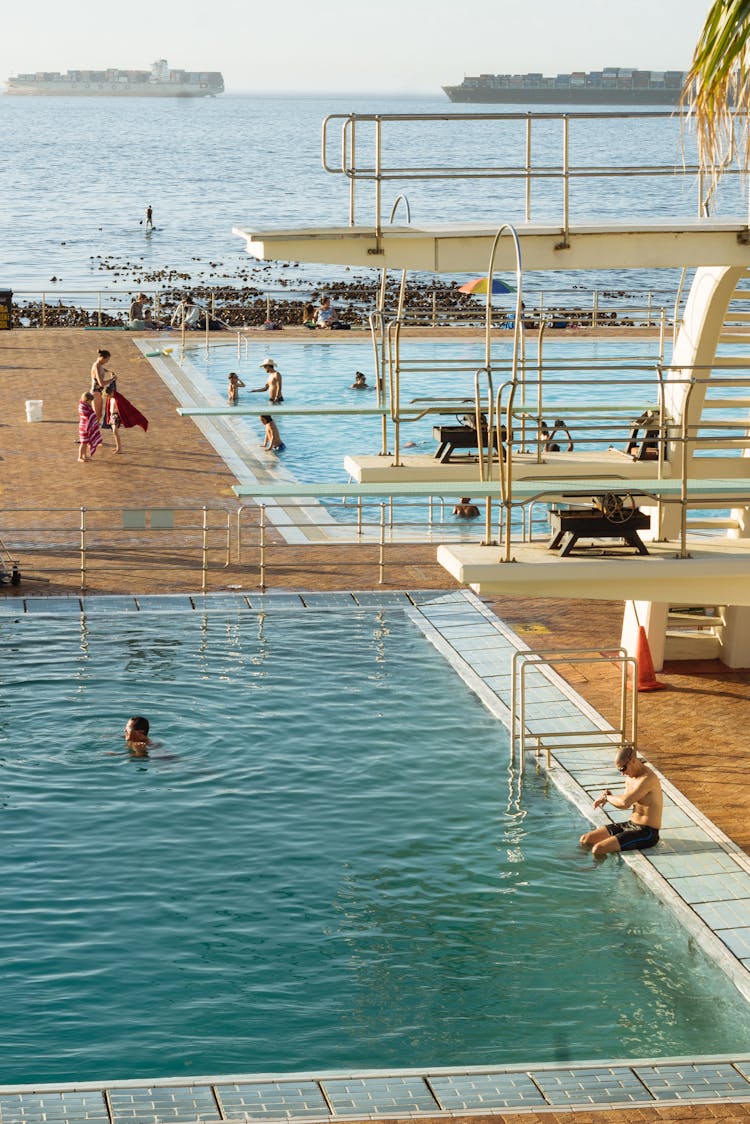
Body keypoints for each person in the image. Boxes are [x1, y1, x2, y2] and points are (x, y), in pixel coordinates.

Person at [579, 743, 662, 857]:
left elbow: (625, 803)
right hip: (630, 825)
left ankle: (591, 870)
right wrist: (610, 798)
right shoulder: (629, 777)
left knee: (598, 849)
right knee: (585, 839)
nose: (622, 773)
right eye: (619, 770)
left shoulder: (647, 778)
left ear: (633, 760)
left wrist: (607, 798)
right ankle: (578, 862)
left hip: (647, 832)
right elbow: (624, 803)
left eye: (623, 768)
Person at [90, 348, 116, 424]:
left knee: (99, 415)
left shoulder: (99, 364)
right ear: (102, 358)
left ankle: (94, 430)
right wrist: (112, 379)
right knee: (96, 415)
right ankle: (92, 431)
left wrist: (109, 371)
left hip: (99, 393)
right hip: (95, 393)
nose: (107, 362)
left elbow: (102, 369)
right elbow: (101, 383)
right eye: (107, 360)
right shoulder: (97, 366)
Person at [77, 391, 102, 462]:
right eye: (90, 401)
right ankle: (79, 457)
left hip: (87, 427)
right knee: (83, 443)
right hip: (84, 427)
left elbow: (90, 414)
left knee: (86, 442)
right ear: (86, 400)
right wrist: (93, 416)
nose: (90, 403)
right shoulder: (82, 406)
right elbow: (86, 416)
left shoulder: (86, 405)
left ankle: (84, 456)